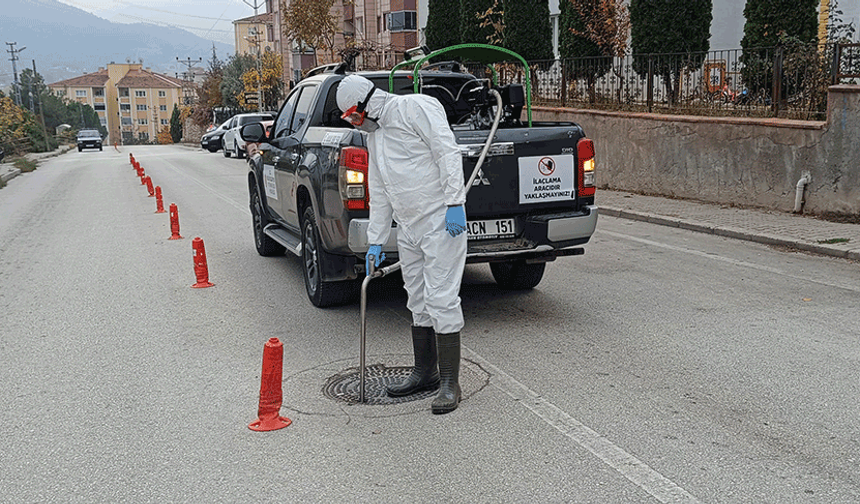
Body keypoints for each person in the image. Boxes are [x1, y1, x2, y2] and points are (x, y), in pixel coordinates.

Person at [336, 74, 468, 415]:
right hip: (409, 227)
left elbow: (447, 151)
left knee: (441, 297)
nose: (353, 122)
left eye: (353, 114)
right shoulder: (375, 138)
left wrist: (455, 203)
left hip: (440, 220)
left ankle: (450, 384)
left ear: (365, 104)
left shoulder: (414, 107)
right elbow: (379, 192)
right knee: (418, 298)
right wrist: (376, 242)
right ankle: (424, 372)